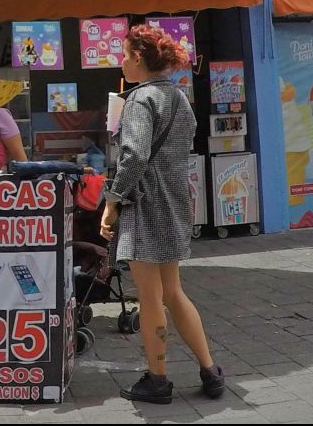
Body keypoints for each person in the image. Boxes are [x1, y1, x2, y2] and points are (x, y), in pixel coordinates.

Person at [101, 24, 223, 404]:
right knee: (172, 291)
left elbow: (135, 155)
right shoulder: (180, 98)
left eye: (124, 56)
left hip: (145, 205)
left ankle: (157, 380)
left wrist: (112, 200)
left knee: (151, 297)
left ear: (138, 59)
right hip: (174, 201)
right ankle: (210, 371)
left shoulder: (140, 100)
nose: (121, 62)